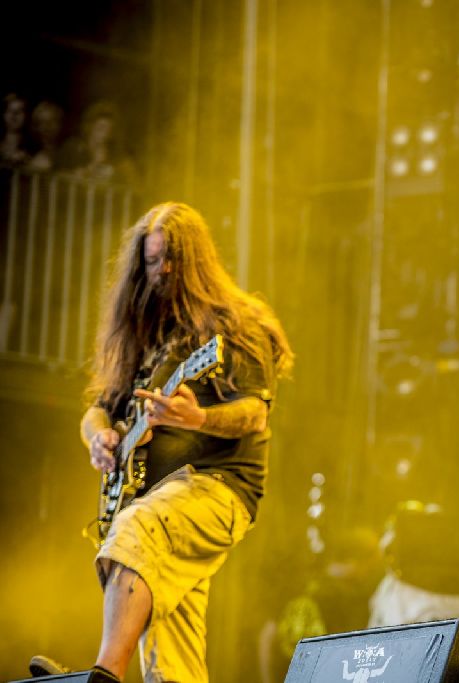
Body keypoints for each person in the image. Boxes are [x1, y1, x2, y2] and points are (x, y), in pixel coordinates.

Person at [31, 202, 293, 682]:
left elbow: (255, 412)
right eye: (151, 261)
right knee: (174, 657)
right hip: (162, 494)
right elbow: (97, 409)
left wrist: (199, 417)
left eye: (171, 258)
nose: (162, 270)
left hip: (219, 487)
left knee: (135, 532)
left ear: (197, 260)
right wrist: (100, 438)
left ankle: (105, 674)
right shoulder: (146, 333)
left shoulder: (237, 323)